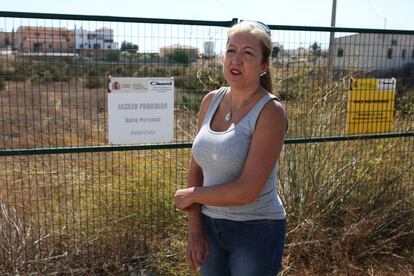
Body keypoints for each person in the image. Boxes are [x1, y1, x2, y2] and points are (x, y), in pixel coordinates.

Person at [174, 20, 287, 276]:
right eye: (231, 50)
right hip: (210, 227)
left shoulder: (270, 112)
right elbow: (196, 167)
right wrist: (195, 228)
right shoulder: (211, 101)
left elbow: (246, 192)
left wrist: (192, 195)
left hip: (256, 230)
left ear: (263, 65)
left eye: (248, 53)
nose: (236, 59)